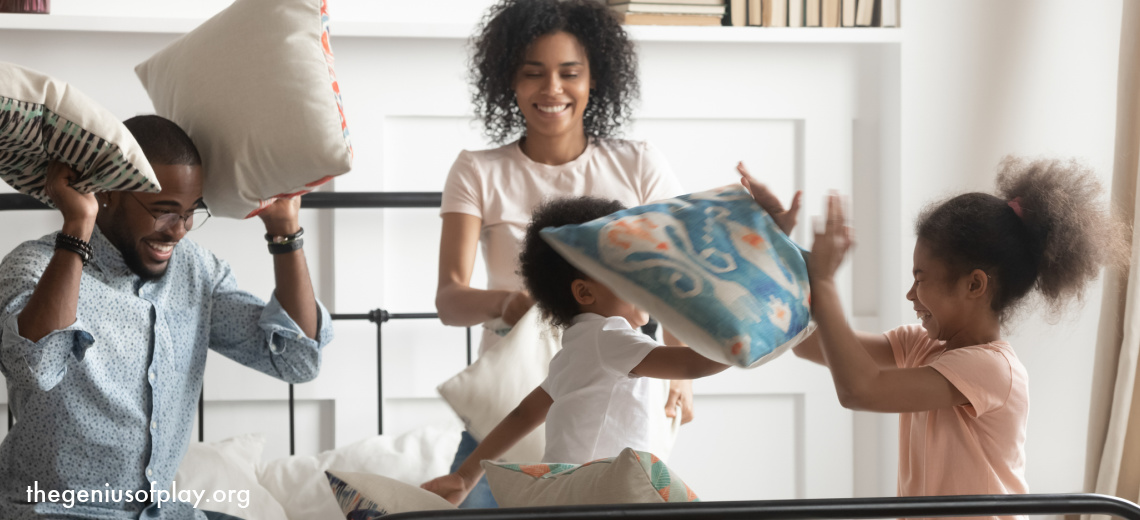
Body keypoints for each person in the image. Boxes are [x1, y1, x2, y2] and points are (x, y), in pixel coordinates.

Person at [742, 158, 1127, 519]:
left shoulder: (993, 369)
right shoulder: (920, 346)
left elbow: (861, 390)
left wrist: (824, 281)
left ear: (974, 285)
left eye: (920, 279)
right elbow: (807, 343)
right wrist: (776, 246)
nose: (910, 295)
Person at [0, 115, 333, 520]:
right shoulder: (33, 268)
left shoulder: (196, 272)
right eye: (164, 211)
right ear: (107, 192)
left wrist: (285, 232)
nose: (179, 231)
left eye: (191, 212)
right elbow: (36, 368)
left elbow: (297, 360)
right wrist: (76, 227)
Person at [436, 0, 691, 507]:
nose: (552, 89)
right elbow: (449, 300)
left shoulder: (639, 165)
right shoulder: (477, 171)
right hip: (509, 394)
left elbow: (676, 277)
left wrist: (681, 376)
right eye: (534, 74)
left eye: (569, 73)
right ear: (509, 80)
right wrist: (510, 304)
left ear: (595, 78)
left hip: (619, 387)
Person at [424, 197, 730, 505]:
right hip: (598, 495)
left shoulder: (577, 347)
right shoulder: (611, 337)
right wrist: (748, 336)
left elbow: (522, 414)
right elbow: (692, 365)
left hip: (567, 496)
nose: (645, 283)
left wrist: (465, 476)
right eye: (630, 273)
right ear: (585, 291)